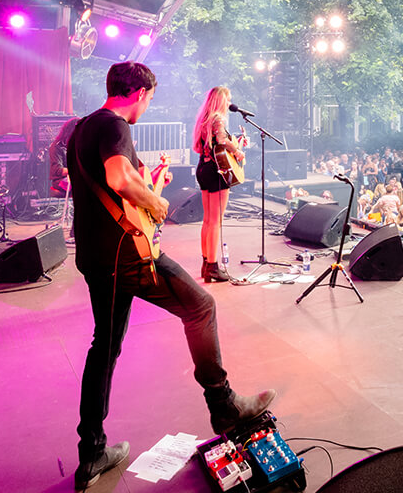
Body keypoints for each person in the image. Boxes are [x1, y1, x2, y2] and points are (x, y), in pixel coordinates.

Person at [67, 62, 274, 490]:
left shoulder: (83, 128)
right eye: (151, 98)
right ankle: (225, 405)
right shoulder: (115, 125)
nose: (149, 105)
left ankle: (91, 454)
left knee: (103, 348)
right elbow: (119, 178)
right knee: (201, 307)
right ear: (139, 93)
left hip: (95, 258)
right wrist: (156, 204)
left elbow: (109, 187)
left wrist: (153, 182)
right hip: (130, 257)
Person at [192, 87, 246, 283]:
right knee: (216, 221)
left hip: (203, 169)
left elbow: (216, 143)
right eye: (227, 99)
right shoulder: (218, 118)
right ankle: (213, 268)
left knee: (207, 220)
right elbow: (222, 141)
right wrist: (238, 151)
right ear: (221, 100)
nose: (229, 102)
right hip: (216, 172)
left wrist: (236, 143)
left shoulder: (204, 119)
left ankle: (206, 263)